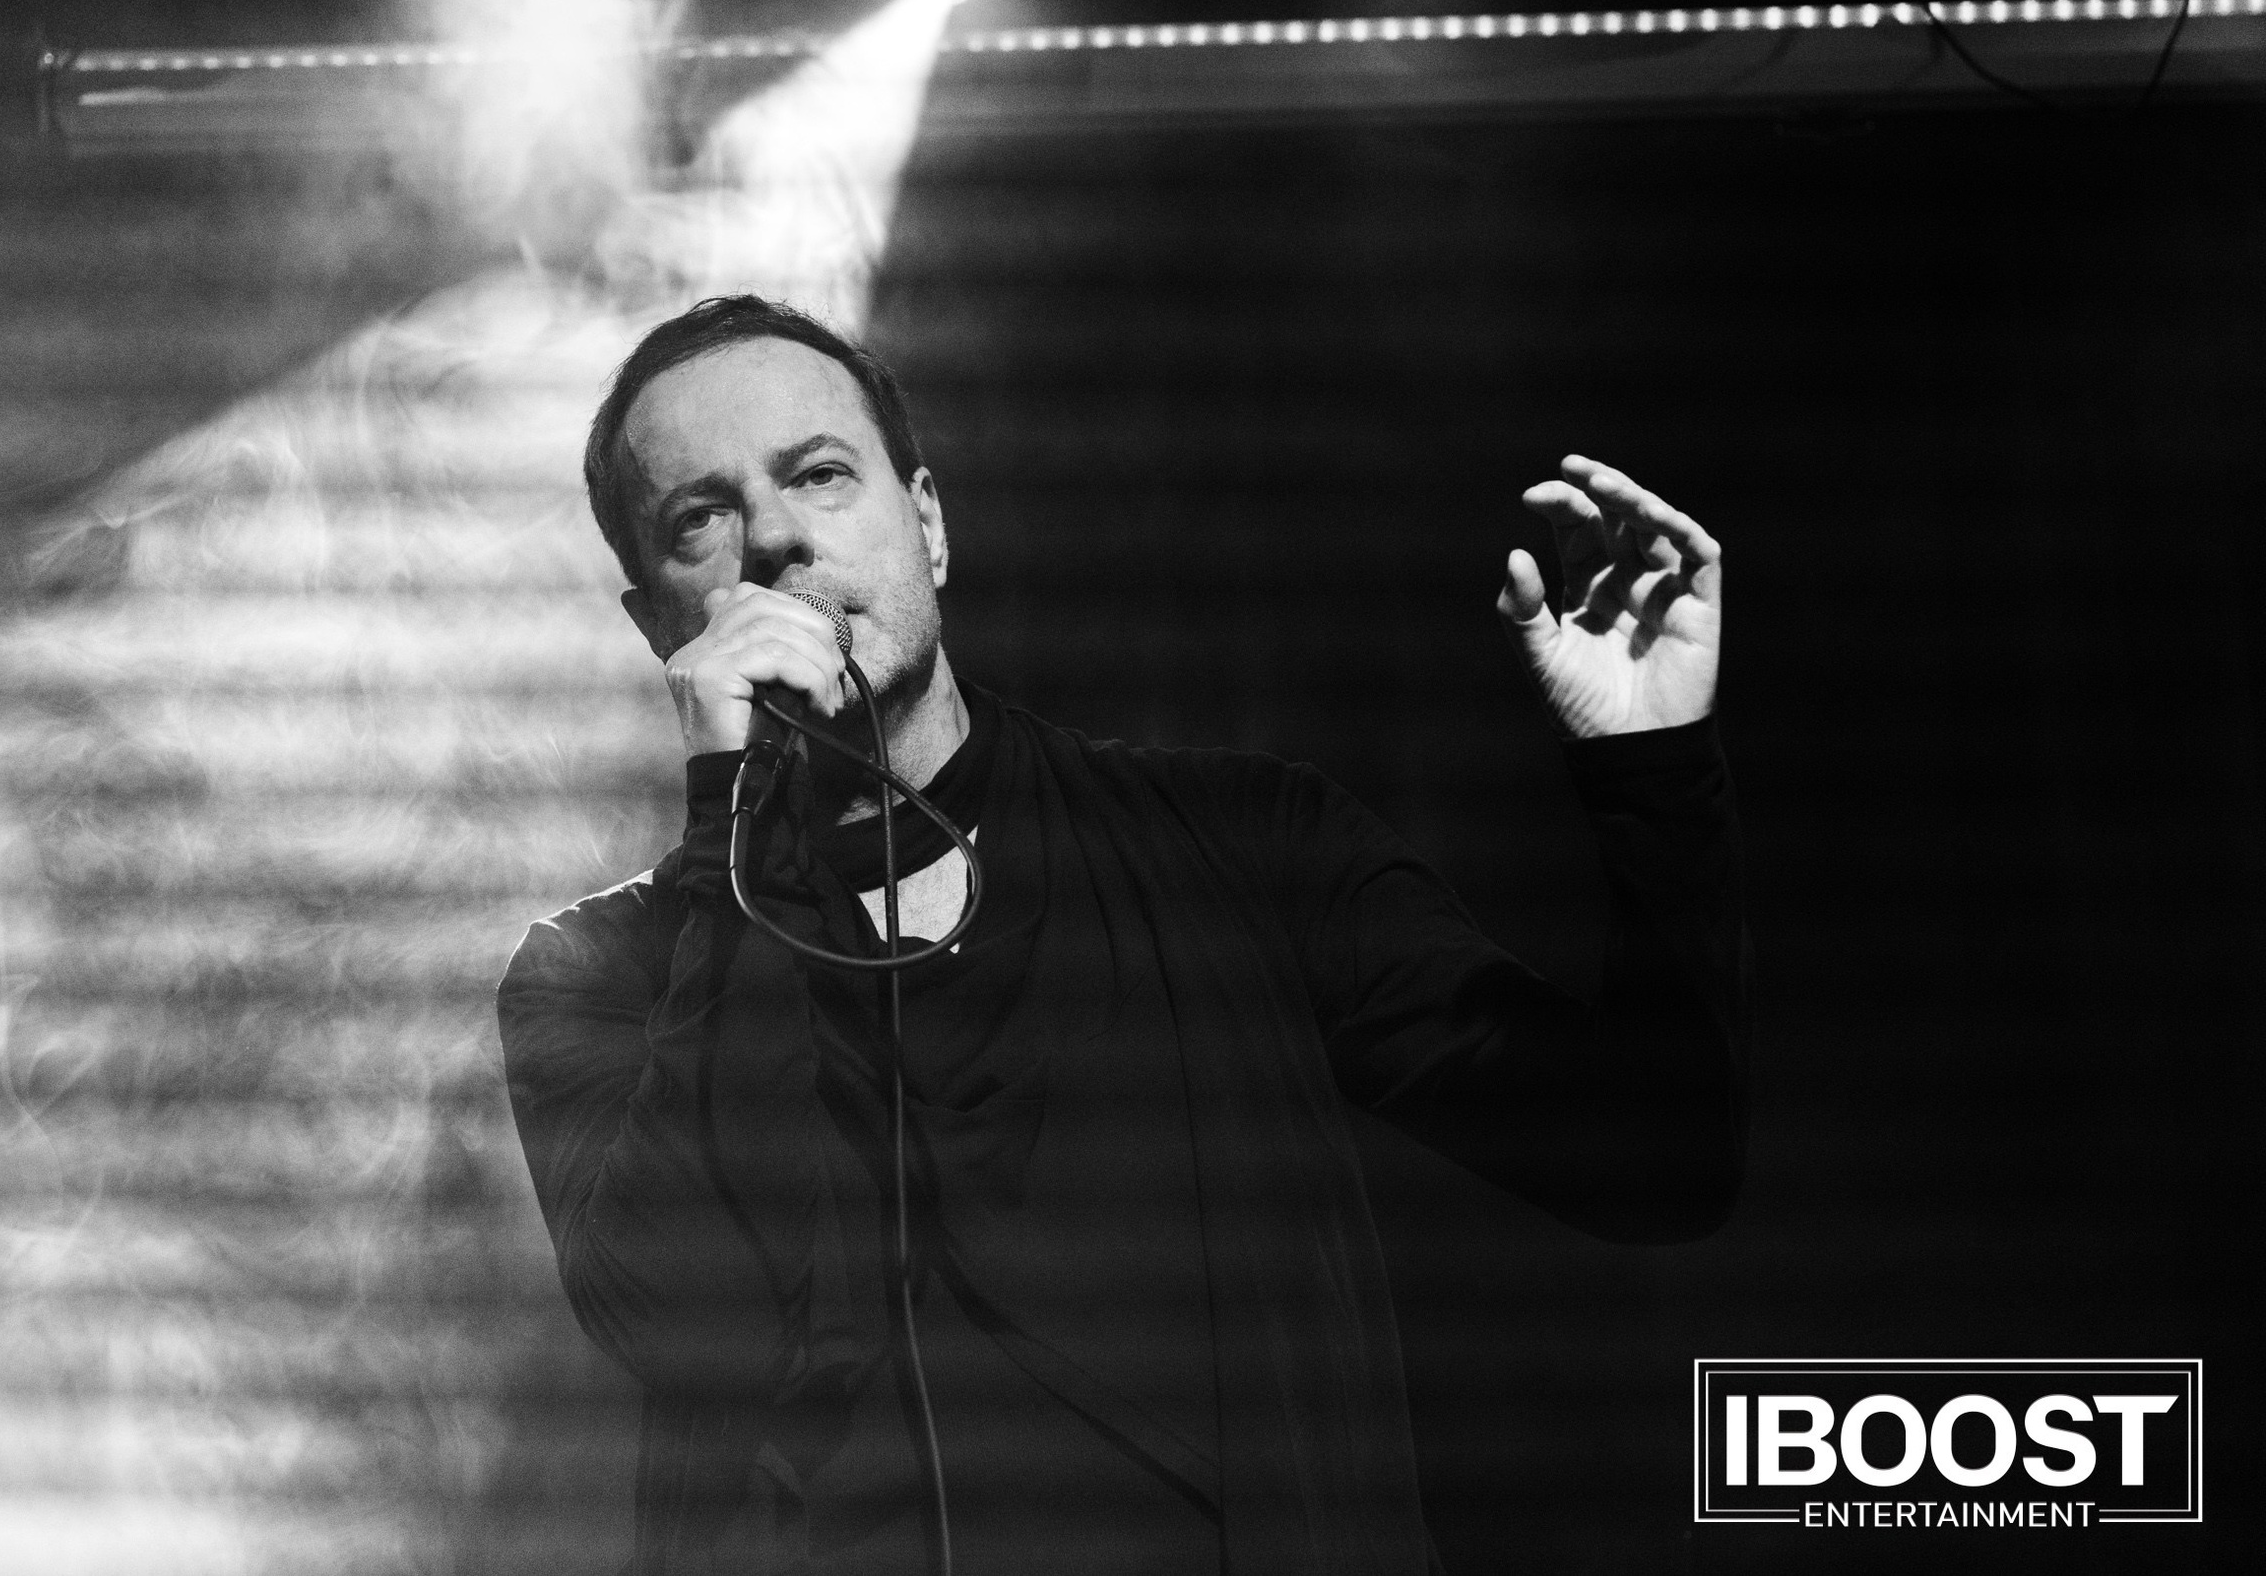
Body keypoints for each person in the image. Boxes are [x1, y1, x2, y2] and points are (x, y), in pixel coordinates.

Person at [497, 294, 1745, 1575]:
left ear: (925, 524)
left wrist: (1650, 770)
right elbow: (680, 1322)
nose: (772, 536)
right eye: (698, 518)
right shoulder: (603, 973)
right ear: (657, 621)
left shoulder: (1247, 846)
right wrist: (730, 828)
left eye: (819, 474)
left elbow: (1656, 1165)